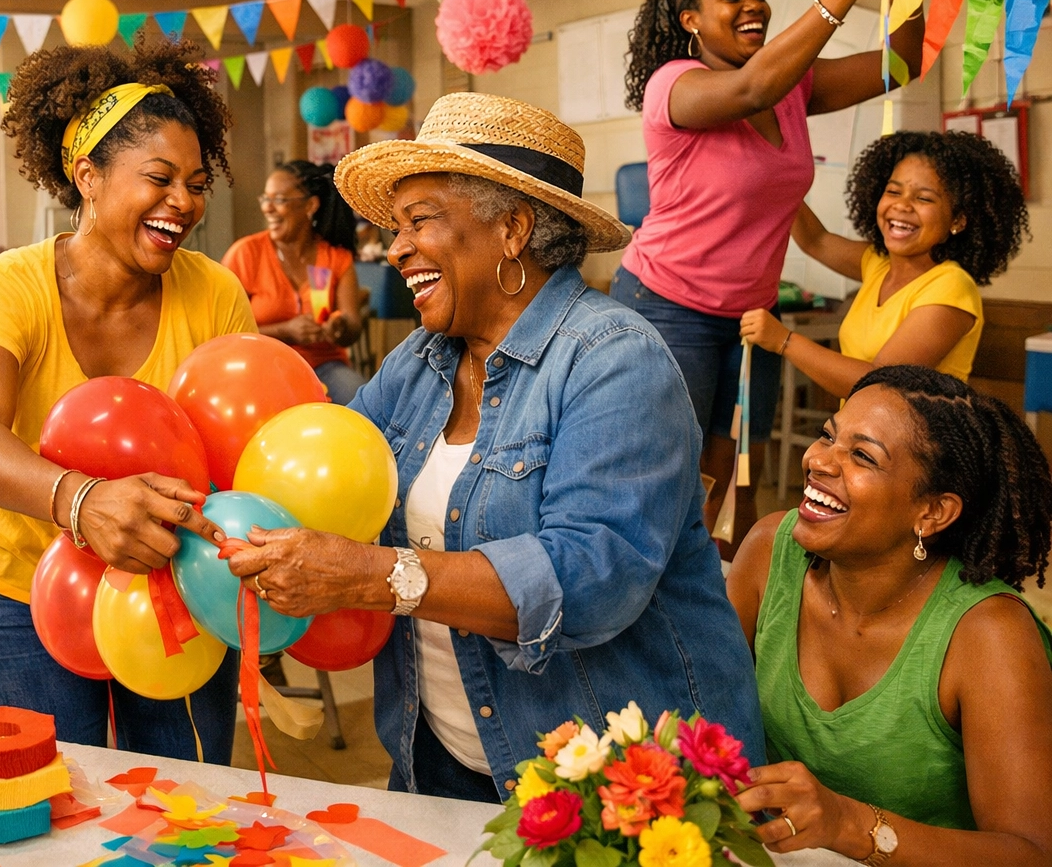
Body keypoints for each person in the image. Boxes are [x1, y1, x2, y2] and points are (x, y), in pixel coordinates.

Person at [225, 93, 762, 801]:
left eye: (420, 222)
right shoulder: (418, 364)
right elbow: (325, 474)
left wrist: (371, 575)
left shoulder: (615, 359)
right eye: (396, 226)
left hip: (623, 788)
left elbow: (589, 579)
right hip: (443, 760)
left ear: (512, 230)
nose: (396, 248)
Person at [0, 38, 255, 761]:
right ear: (87, 175)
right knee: (50, 809)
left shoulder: (214, 293)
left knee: (186, 806)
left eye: (198, 182)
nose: (185, 201)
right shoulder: (2, 286)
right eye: (160, 177)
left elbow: (239, 450)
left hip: (170, 586)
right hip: (12, 596)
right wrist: (82, 502)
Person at [609, 0, 924, 547]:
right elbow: (751, 89)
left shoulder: (792, 89)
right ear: (690, 20)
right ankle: (651, 604)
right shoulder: (675, 85)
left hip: (752, 315)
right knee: (674, 476)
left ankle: (728, 604)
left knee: (739, 476)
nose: (754, 4)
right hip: (669, 305)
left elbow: (899, 66)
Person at [727, 365, 1052, 863]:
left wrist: (849, 824)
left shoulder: (988, 635)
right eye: (827, 436)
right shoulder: (772, 551)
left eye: (861, 456)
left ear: (932, 512)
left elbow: (1031, 853)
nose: (818, 461)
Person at [740, 132, 1028, 397]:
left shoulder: (951, 287)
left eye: (924, 198)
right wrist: (776, 174)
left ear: (958, 220)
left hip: (912, 448)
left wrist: (785, 341)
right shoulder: (878, 264)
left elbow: (880, 384)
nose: (902, 205)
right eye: (893, 191)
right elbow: (816, 240)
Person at [223, 160, 365, 404]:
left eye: (279, 200)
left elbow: (352, 324)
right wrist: (285, 331)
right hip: (260, 368)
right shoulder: (245, 254)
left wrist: (340, 327)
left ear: (310, 205)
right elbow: (224, 334)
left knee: (361, 401)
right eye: (265, 199)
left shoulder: (334, 257)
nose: (267, 208)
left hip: (323, 365)